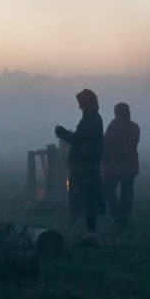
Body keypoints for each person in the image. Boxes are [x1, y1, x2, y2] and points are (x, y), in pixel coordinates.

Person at [54, 89, 106, 233]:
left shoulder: (91, 120)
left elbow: (79, 140)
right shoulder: (93, 118)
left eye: (81, 104)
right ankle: (88, 230)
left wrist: (63, 133)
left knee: (86, 200)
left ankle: (88, 231)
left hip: (85, 167)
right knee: (87, 199)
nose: (80, 107)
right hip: (87, 166)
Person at [100, 102, 141, 227]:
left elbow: (106, 144)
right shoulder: (134, 127)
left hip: (115, 166)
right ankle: (125, 218)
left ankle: (117, 216)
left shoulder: (114, 126)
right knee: (127, 193)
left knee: (107, 190)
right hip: (131, 166)